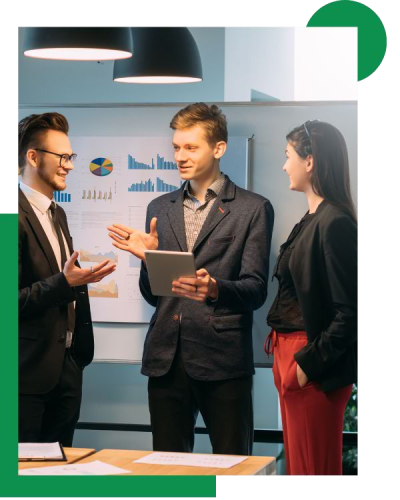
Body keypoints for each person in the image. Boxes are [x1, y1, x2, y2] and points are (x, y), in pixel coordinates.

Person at [108, 103, 274, 455]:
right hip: (166, 358)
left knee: (232, 465)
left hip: (224, 359)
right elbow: (154, 296)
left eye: (191, 147)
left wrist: (214, 288)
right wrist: (148, 260)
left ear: (219, 148)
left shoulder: (253, 208)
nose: (180, 156)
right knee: (168, 468)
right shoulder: (159, 208)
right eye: (176, 147)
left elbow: (256, 289)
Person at [265, 120, 358, 475]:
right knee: (300, 473)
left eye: (288, 155)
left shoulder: (335, 222)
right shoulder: (313, 217)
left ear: (310, 161)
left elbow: (351, 313)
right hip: (291, 354)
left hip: (310, 361)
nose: (283, 165)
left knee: (313, 474)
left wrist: (306, 366)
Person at [18, 113, 116, 446]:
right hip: (25, 376)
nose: (70, 166)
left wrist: (75, 361)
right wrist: (64, 283)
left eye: (70, 157)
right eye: (62, 157)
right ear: (33, 157)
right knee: (24, 474)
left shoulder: (56, 212)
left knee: (61, 469)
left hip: (67, 370)